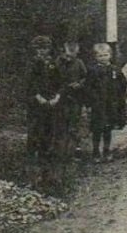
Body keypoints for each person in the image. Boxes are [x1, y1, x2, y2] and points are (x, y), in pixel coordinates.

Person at [85, 43, 127, 162]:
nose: (103, 58)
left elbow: (122, 85)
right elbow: (88, 87)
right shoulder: (92, 70)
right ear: (95, 57)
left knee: (108, 128)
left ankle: (107, 150)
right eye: (100, 56)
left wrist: (119, 100)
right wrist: (90, 102)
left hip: (110, 104)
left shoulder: (115, 70)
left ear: (110, 55)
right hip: (98, 105)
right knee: (97, 129)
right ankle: (95, 152)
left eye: (105, 55)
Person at [24, 35, 62, 165]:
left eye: (45, 48)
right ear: (34, 49)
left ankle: (45, 155)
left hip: (51, 100)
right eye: (39, 48)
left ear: (49, 49)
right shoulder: (32, 64)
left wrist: (57, 96)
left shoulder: (53, 63)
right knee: (34, 128)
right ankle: (31, 156)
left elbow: (59, 82)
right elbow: (29, 83)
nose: (42, 51)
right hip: (36, 101)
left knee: (49, 127)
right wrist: (38, 97)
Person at [56, 40, 87, 158]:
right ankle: (61, 150)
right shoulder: (58, 62)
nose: (70, 57)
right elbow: (54, 77)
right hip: (61, 96)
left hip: (75, 97)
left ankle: (75, 148)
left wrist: (79, 84)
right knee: (61, 121)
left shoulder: (79, 63)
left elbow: (85, 77)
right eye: (68, 54)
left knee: (74, 121)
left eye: (73, 54)